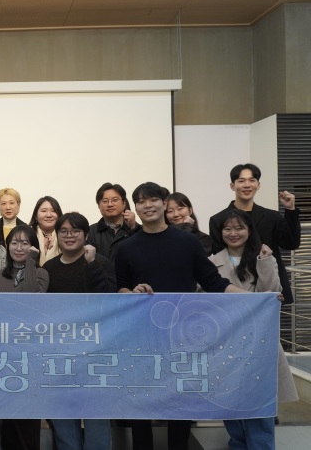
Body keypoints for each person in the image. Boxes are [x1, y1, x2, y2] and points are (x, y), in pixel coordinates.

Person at [115, 182, 247, 450]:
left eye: (153, 199)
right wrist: (132, 292)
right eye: (141, 201)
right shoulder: (126, 248)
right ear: (135, 207)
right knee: (142, 404)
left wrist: (257, 298)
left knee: (181, 403)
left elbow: (213, 282)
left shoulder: (188, 242)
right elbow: (120, 288)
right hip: (141, 337)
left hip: (183, 336)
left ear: (165, 203)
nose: (148, 205)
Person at [205, 209, 298, 449]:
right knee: (230, 404)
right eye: (228, 228)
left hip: (259, 342)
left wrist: (265, 261)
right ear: (220, 232)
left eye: (239, 228)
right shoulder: (211, 262)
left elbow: (272, 294)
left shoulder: (264, 256)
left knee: (260, 403)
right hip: (227, 342)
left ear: (249, 230)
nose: (233, 233)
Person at [42, 213, 116, 450]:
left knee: (97, 417)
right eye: (63, 231)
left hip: (96, 353)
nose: (69, 235)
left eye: (75, 231)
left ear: (86, 234)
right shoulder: (49, 268)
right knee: (63, 419)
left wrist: (91, 264)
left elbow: (108, 301)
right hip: (60, 353)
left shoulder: (100, 262)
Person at [209, 163, 301, 304]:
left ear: (258, 185)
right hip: (234, 289)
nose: (247, 185)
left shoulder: (272, 217)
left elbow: (291, 244)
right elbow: (220, 256)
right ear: (232, 186)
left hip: (270, 286)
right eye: (241, 181)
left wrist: (290, 210)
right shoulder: (218, 219)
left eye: (252, 180)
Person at [0, 225, 48, 450]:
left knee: (27, 415)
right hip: (4, 352)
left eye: (25, 243)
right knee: (8, 415)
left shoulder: (41, 273)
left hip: (30, 352)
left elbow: (32, 301)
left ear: (33, 247)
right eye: (14, 243)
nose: (19, 247)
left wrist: (31, 263)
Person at [86, 183, 137, 263]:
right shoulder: (90, 232)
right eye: (105, 201)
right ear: (98, 205)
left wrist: (134, 228)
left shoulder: (135, 228)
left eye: (115, 200)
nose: (110, 204)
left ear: (124, 203)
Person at [29, 196, 63, 266]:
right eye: (44, 211)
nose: (49, 215)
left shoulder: (65, 236)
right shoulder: (27, 234)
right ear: (35, 216)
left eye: (53, 211)